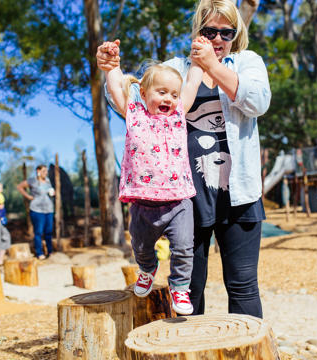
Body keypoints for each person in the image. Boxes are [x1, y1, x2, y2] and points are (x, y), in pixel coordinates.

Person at [97, 0, 271, 318]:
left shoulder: (247, 61)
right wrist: (111, 70)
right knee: (189, 289)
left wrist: (213, 67)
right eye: (209, 31)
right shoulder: (176, 67)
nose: (218, 39)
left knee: (243, 286)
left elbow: (259, 101)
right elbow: (132, 103)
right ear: (197, 31)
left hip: (240, 193)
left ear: (236, 34)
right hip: (187, 198)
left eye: (226, 32)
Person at [99, 37, 209, 315]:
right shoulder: (134, 114)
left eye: (174, 94)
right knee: (141, 246)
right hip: (143, 204)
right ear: (144, 93)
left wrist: (197, 61)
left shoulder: (178, 114)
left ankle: (180, 287)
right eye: (162, 92)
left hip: (178, 201)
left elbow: (193, 84)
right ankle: (147, 270)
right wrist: (112, 66)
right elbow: (115, 89)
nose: (169, 99)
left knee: (184, 248)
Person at [17, 165, 55, 260]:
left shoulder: (48, 181)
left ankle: (50, 252)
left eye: (46, 171)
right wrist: (28, 196)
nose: (46, 173)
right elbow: (20, 187)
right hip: (37, 210)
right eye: (44, 171)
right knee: (38, 232)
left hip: (49, 210)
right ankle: (39, 253)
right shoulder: (32, 180)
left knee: (49, 232)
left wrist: (52, 193)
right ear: (38, 171)